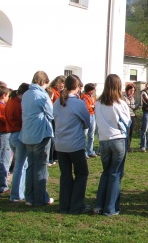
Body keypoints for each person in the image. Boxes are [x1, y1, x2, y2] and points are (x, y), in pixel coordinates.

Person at [94, 74, 131, 216]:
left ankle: (99, 205)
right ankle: (110, 208)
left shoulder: (98, 103)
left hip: (104, 140)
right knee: (115, 174)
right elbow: (127, 122)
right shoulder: (120, 104)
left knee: (106, 173)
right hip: (117, 140)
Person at [53, 75, 91, 214]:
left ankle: (64, 205)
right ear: (77, 87)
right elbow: (87, 122)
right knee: (81, 173)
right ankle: (76, 205)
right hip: (75, 144)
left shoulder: (57, 102)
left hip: (61, 144)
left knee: (66, 175)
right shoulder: (78, 103)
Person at [21, 71, 54, 206]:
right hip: (40, 134)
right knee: (40, 167)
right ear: (43, 82)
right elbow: (51, 114)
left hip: (28, 134)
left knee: (31, 166)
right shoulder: (42, 95)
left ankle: (29, 197)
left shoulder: (26, 94)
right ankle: (41, 198)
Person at [5, 82, 30, 202]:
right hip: (19, 134)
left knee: (21, 165)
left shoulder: (11, 101)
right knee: (20, 166)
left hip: (13, 135)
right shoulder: (19, 104)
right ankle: (16, 194)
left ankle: (19, 192)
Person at [81, 83, 97, 158]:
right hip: (87, 115)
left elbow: (95, 105)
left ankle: (90, 150)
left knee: (91, 134)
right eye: (92, 90)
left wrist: (93, 106)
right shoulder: (84, 96)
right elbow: (87, 106)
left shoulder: (93, 97)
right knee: (85, 133)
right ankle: (84, 152)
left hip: (93, 115)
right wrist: (92, 106)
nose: (93, 91)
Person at [123, 84, 139, 152]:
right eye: (131, 90)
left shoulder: (134, 98)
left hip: (132, 116)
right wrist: (131, 106)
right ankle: (125, 146)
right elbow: (124, 106)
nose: (132, 92)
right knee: (127, 131)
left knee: (131, 132)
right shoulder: (123, 97)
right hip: (126, 116)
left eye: (133, 90)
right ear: (127, 90)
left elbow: (136, 105)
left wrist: (133, 107)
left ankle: (128, 146)